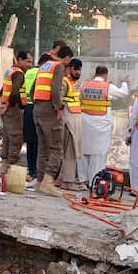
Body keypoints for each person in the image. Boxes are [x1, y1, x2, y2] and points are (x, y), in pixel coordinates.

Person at [78, 65, 129, 185]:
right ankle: (94, 181)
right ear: (106, 75)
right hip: (101, 124)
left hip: (85, 121)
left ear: (95, 74)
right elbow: (123, 93)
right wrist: (124, 83)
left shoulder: (84, 85)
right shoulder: (107, 86)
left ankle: (82, 179)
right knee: (98, 154)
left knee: (83, 152)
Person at [32, 45, 73, 196]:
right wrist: (59, 107)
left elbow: (32, 90)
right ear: (67, 58)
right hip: (50, 110)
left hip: (37, 108)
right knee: (56, 149)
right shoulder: (59, 66)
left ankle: (40, 182)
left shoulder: (44, 66)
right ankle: (48, 183)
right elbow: (55, 90)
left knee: (43, 148)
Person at [0, 50, 31, 172]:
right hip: (14, 108)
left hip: (7, 107)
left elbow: (3, 91)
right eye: (28, 61)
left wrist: (3, 103)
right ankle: (12, 165)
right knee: (16, 137)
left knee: (7, 136)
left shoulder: (10, 70)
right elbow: (15, 93)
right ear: (20, 60)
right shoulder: (19, 74)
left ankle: (5, 166)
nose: (29, 64)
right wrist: (11, 104)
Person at [58, 59, 85, 190]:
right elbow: (59, 101)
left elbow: (79, 100)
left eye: (80, 70)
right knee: (69, 152)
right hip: (68, 120)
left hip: (75, 120)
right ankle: (67, 182)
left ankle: (61, 179)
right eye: (76, 69)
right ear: (70, 69)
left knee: (70, 151)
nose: (78, 72)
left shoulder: (77, 84)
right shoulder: (64, 82)